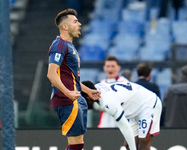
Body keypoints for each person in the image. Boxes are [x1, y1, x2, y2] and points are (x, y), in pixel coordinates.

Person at [47, 9, 101, 150]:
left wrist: (88, 90)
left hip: (75, 98)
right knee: (76, 145)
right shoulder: (59, 45)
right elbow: (51, 74)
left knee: (78, 144)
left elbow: (71, 79)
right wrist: (68, 93)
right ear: (65, 26)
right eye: (75, 22)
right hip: (68, 100)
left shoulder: (69, 46)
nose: (80, 24)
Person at [81, 81, 162, 150]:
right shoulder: (96, 87)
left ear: (88, 97)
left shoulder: (108, 102)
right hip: (136, 107)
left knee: (143, 145)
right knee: (128, 146)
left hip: (148, 105)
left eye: (82, 100)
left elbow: (126, 128)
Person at [97, 56, 129, 128]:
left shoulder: (124, 83)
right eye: (108, 66)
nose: (110, 69)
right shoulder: (100, 84)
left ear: (118, 68)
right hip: (104, 122)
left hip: (121, 121)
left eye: (113, 66)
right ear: (104, 68)